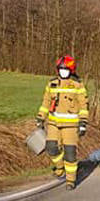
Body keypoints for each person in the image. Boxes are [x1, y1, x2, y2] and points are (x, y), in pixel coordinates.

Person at [36, 55, 89, 190]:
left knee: (70, 153)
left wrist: (83, 123)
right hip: (54, 123)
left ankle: (70, 180)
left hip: (71, 126)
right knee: (51, 147)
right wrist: (41, 117)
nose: (62, 72)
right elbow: (46, 102)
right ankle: (60, 168)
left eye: (65, 69)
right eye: (60, 69)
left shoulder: (77, 85)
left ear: (71, 70)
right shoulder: (52, 83)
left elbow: (84, 105)